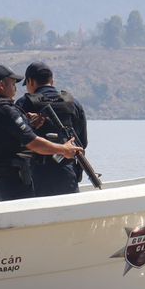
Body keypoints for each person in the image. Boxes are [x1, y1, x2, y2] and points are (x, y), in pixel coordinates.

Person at [0, 65, 79, 202]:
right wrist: (64, 149)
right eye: (13, 83)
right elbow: (34, 143)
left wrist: (28, 124)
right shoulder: (5, 111)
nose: (16, 88)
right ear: (1, 85)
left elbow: (2, 138)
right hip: (15, 183)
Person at [16, 61, 89, 196]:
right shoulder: (73, 103)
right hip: (67, 173)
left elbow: (17, 143)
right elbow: (82, 142)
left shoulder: (23, 104)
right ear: (52, 81)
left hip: (36, 176)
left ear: (30, 81)